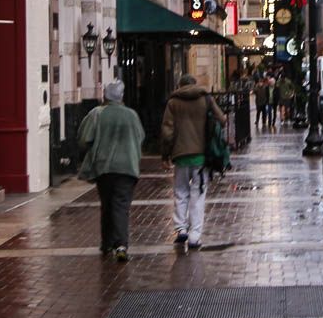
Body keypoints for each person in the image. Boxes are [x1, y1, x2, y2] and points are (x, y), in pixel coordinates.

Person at [77, 80, 145, 263]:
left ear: (104, 95)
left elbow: (84, 140)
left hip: (104, 167)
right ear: (121, 96)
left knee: (107, 204)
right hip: (127, 167)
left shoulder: (96, 114)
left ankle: (107, 242)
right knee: (121, 206)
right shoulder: (132, 115)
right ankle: (121, 245)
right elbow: (141, 137)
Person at [160, 74, 226, 249]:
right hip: (201, 155)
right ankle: (195, 236)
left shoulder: (173, 102)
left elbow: (167, 132)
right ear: (195, 84)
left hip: (180, 155)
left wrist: (165, 155)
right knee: (198, 195)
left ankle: (180, 228)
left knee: (181, 192)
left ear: (180, 85)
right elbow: (222, 119)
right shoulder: (205, 99)